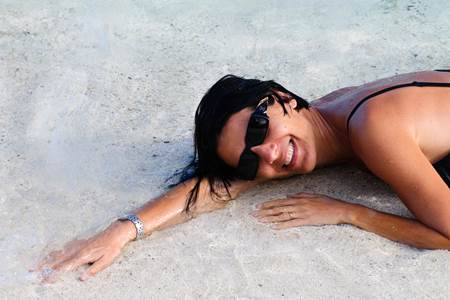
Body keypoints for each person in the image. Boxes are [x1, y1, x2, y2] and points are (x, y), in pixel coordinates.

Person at [34, 69, 450, 282]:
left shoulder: (371, 127)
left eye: (257, 128)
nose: (268, 153)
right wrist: (123, 230)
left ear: (283, 98)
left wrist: (349, 213)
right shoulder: (314, 123)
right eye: (250, 161)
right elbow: (213, 189)